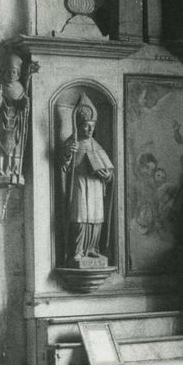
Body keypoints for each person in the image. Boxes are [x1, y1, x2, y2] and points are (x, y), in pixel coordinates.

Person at [61, 93, 113, 266]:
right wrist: (69, 153)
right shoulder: (72, 142)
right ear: (79, 126)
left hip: (96, 185)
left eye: (92, 126)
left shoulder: (95, 144)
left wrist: (108, 175)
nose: (90, 130)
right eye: (86, 126)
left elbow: (108, 169)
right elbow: (64, 166)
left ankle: (92, 248)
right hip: (80, 183)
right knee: (80, 215)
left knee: (96, 217)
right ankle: (77, 250)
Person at [0, 53, 30, 185]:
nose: (11, 74)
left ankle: (14, 170)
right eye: (9, 71)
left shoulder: (20, 87)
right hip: (2, 121)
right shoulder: (0, 85)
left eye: (14, 72)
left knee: (15, 146)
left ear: (18, 73)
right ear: (4, 71)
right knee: (1, 146)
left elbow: (22, 106)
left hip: (16, 122)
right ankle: (0, 169)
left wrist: (24, 103)